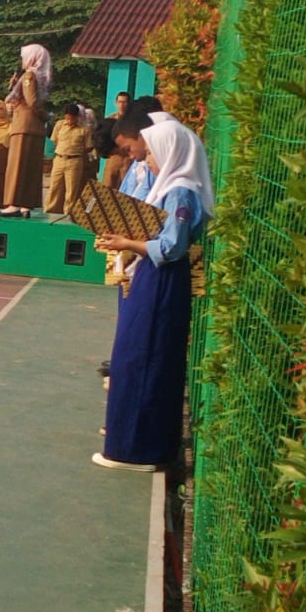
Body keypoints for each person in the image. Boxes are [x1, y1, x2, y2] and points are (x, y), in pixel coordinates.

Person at [92, 120, 212, 470]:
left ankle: (136, 448)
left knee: (143, 353)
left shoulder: (180, 191)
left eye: (152, 152)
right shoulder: (172, 187)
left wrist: (127, 243)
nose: (147, 160)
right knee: (140, 352)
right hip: (153, 273)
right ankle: (140, 441)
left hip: (161, 277)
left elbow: (172, 245)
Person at [0, 43, 51, 216]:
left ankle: (13, 203)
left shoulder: (29, 75)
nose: (22, 60)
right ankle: (26, 205)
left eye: (24, 57)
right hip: (35, 128)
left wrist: (45, 116)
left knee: (18, 166)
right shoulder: (42, 76)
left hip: (24, 126)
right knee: (30, 167)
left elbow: (32, 102)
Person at [45, 100, 94, 214]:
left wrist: (75, 151)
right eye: (68, 118)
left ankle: (68, 213)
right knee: (54, 187)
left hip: (75, 161)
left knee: (71, 190)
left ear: (77, 117)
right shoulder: (59, 125)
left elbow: (89, 147)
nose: (70, 120)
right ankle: (50, 210)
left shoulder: (84, 129)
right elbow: (55, 140)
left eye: (72, 118)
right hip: (59, 159)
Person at [99, 91, 133, 186]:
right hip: (113, 157)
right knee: (108, 187)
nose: (122, 105)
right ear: (116, 103)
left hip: (128, 158)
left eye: (124, 102)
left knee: (125, 190)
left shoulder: (134, 120)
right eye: (119, 102)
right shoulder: (110, 119)